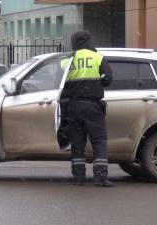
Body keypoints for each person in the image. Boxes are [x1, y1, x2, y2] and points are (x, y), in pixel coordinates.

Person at [61, 31, 114, 187]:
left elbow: (59, 81)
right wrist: (97, 83)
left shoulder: (67, 60)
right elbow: (108, 79)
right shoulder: (97, 57)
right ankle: (100, 177)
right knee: (98, 140)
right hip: (92, 105)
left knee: (77, 141)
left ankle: (78, 177)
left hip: (72, 105)